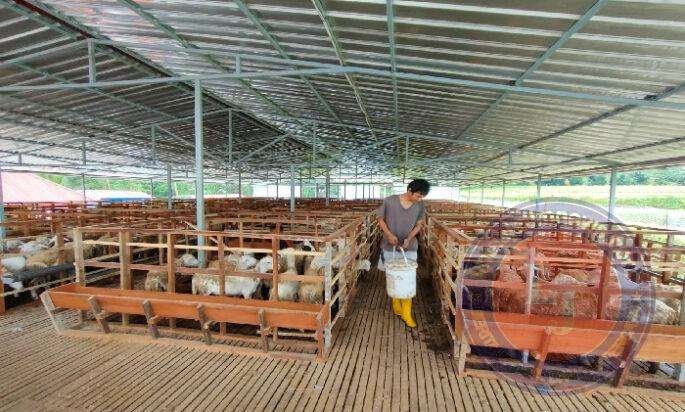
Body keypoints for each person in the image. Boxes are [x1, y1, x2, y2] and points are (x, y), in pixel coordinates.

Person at [377, 179, 430, 328]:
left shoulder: (420, 205)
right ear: (409, 190)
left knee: (408, 278)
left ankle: (407, 313)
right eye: (418, 196)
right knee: (393, 276)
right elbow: (380, 220)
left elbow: (419, 225)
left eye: (422, 197)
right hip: (390, 246)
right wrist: (389, 235)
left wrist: (409, 238)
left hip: (409, 247)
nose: (419, 199)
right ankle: (396, 303)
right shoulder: (389, 201)